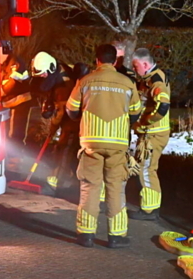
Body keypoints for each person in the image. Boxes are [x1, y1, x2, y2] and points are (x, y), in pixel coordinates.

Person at [65, 44, 142, 248]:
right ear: (115, 60)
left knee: (90, 187)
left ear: (97, 60)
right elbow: (135, 112)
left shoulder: (85, 81)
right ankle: (116, 236)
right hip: (117, 144)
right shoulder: (127, 83)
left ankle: (86, 234)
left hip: (91, 142)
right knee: (116, 189)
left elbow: (71, 109)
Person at [29, 52, 82, 193]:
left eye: (43, 74)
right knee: (65, 148)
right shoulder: (58, 71)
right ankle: (67, 179)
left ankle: (57, 183)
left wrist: (53, 126)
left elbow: (63, 109)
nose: (42, 77)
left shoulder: (64, 84)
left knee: (64, 148)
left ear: (51, 68)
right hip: (70, 118)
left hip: (73, 120)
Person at [129, 48, 171, 220]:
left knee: (146, 169)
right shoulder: (147, 79)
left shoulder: (156, 81)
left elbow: (163, 105)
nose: (134, 69)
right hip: (150, 134)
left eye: (136, 65)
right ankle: (149, 207)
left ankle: (149, 210)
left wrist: (144, 123)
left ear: (145, 64)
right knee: (146, 168)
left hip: (154, 134)